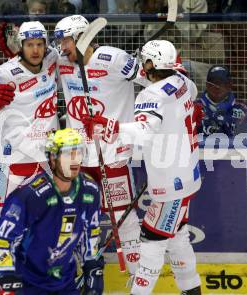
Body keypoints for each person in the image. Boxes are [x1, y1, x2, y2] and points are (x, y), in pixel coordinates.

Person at [83, 40, 202, 295]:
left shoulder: (151, 96)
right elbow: (187, 94)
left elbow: (144, 132)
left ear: (149, 64)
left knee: (151, 240)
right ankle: (191, 290)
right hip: (188, 176)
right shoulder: (182, 82)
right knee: (178, 236)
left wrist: (110, 127)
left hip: (171, 184)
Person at [54, 14, 149, 277]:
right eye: (60, 42)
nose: (62, 48)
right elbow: (34, 65)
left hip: (113, 153)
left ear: (84, 37)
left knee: (123, 216)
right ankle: (80, 272)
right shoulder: (62, 61)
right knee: (76, 215)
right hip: (79, 157)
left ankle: (137, 277)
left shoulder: (113, 59)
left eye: (66, 41)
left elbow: (152, 79)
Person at [0, 21, 59, 295]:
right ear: (21, 46)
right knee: (4, 222)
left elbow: (72, 50)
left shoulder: (52, 59)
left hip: (46, 161)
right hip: (13, 163)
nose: (35, 50)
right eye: (30, 45)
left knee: (49, 221)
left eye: (39, 44)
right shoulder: (5, 74)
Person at [0, 128, 104, 294]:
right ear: (52, 158)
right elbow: (3, 238)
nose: (74, 160)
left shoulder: (90, 190)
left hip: (65, 283)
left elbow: (91, 234)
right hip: (27, 284)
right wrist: (5, 274)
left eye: (78, 153)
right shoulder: (30, 195)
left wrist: (93, 268)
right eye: (67, 154)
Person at [195, 65, 247, 137]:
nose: (217, 87)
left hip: (234, 147)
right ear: (207, 85)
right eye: (213, 83)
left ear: (229, 85)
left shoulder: (244, 109)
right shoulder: (193, 108)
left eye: (222, 83)